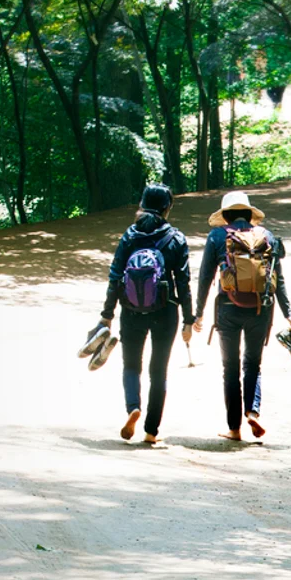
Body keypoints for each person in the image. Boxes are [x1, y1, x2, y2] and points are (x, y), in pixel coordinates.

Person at [193, 192, 291, 441]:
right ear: (250, 214)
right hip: (261, 309)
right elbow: (276, 276)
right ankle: (253, 411)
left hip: (227, 309)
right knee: (253, 364)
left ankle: (234, 428)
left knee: (230, 368)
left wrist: (198, 314)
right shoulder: (267, 236)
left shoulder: (217, 236)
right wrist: (288, 312)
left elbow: (206, 276)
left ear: (225, 215)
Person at [97, 184, 194, 444]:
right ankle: (151, 432)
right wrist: (188, 318)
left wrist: (107, 313)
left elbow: (116, 275)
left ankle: (133, 408)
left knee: (131, 366)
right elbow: (183, 282)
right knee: (158, 371)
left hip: (131, 310)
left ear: (141, 204)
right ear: (168, 208)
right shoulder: (176, 238)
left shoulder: (130, 236)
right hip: (166, 311)